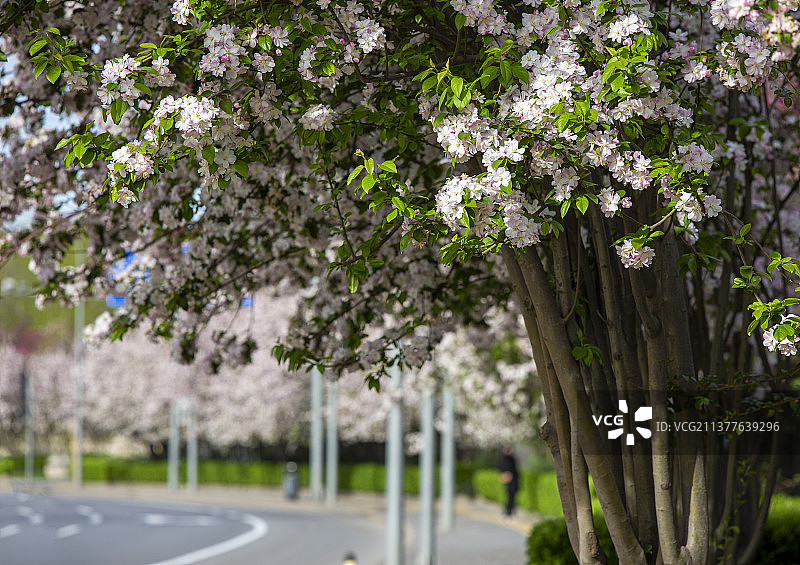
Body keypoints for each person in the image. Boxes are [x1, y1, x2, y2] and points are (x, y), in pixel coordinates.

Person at [499, 445, 519, 517]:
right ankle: (509, 510)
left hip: (510, 480)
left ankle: (509, 509)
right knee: (511, 496)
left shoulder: (505, 459)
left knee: (510, 495)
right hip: (511, 480)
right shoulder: (508, 459)